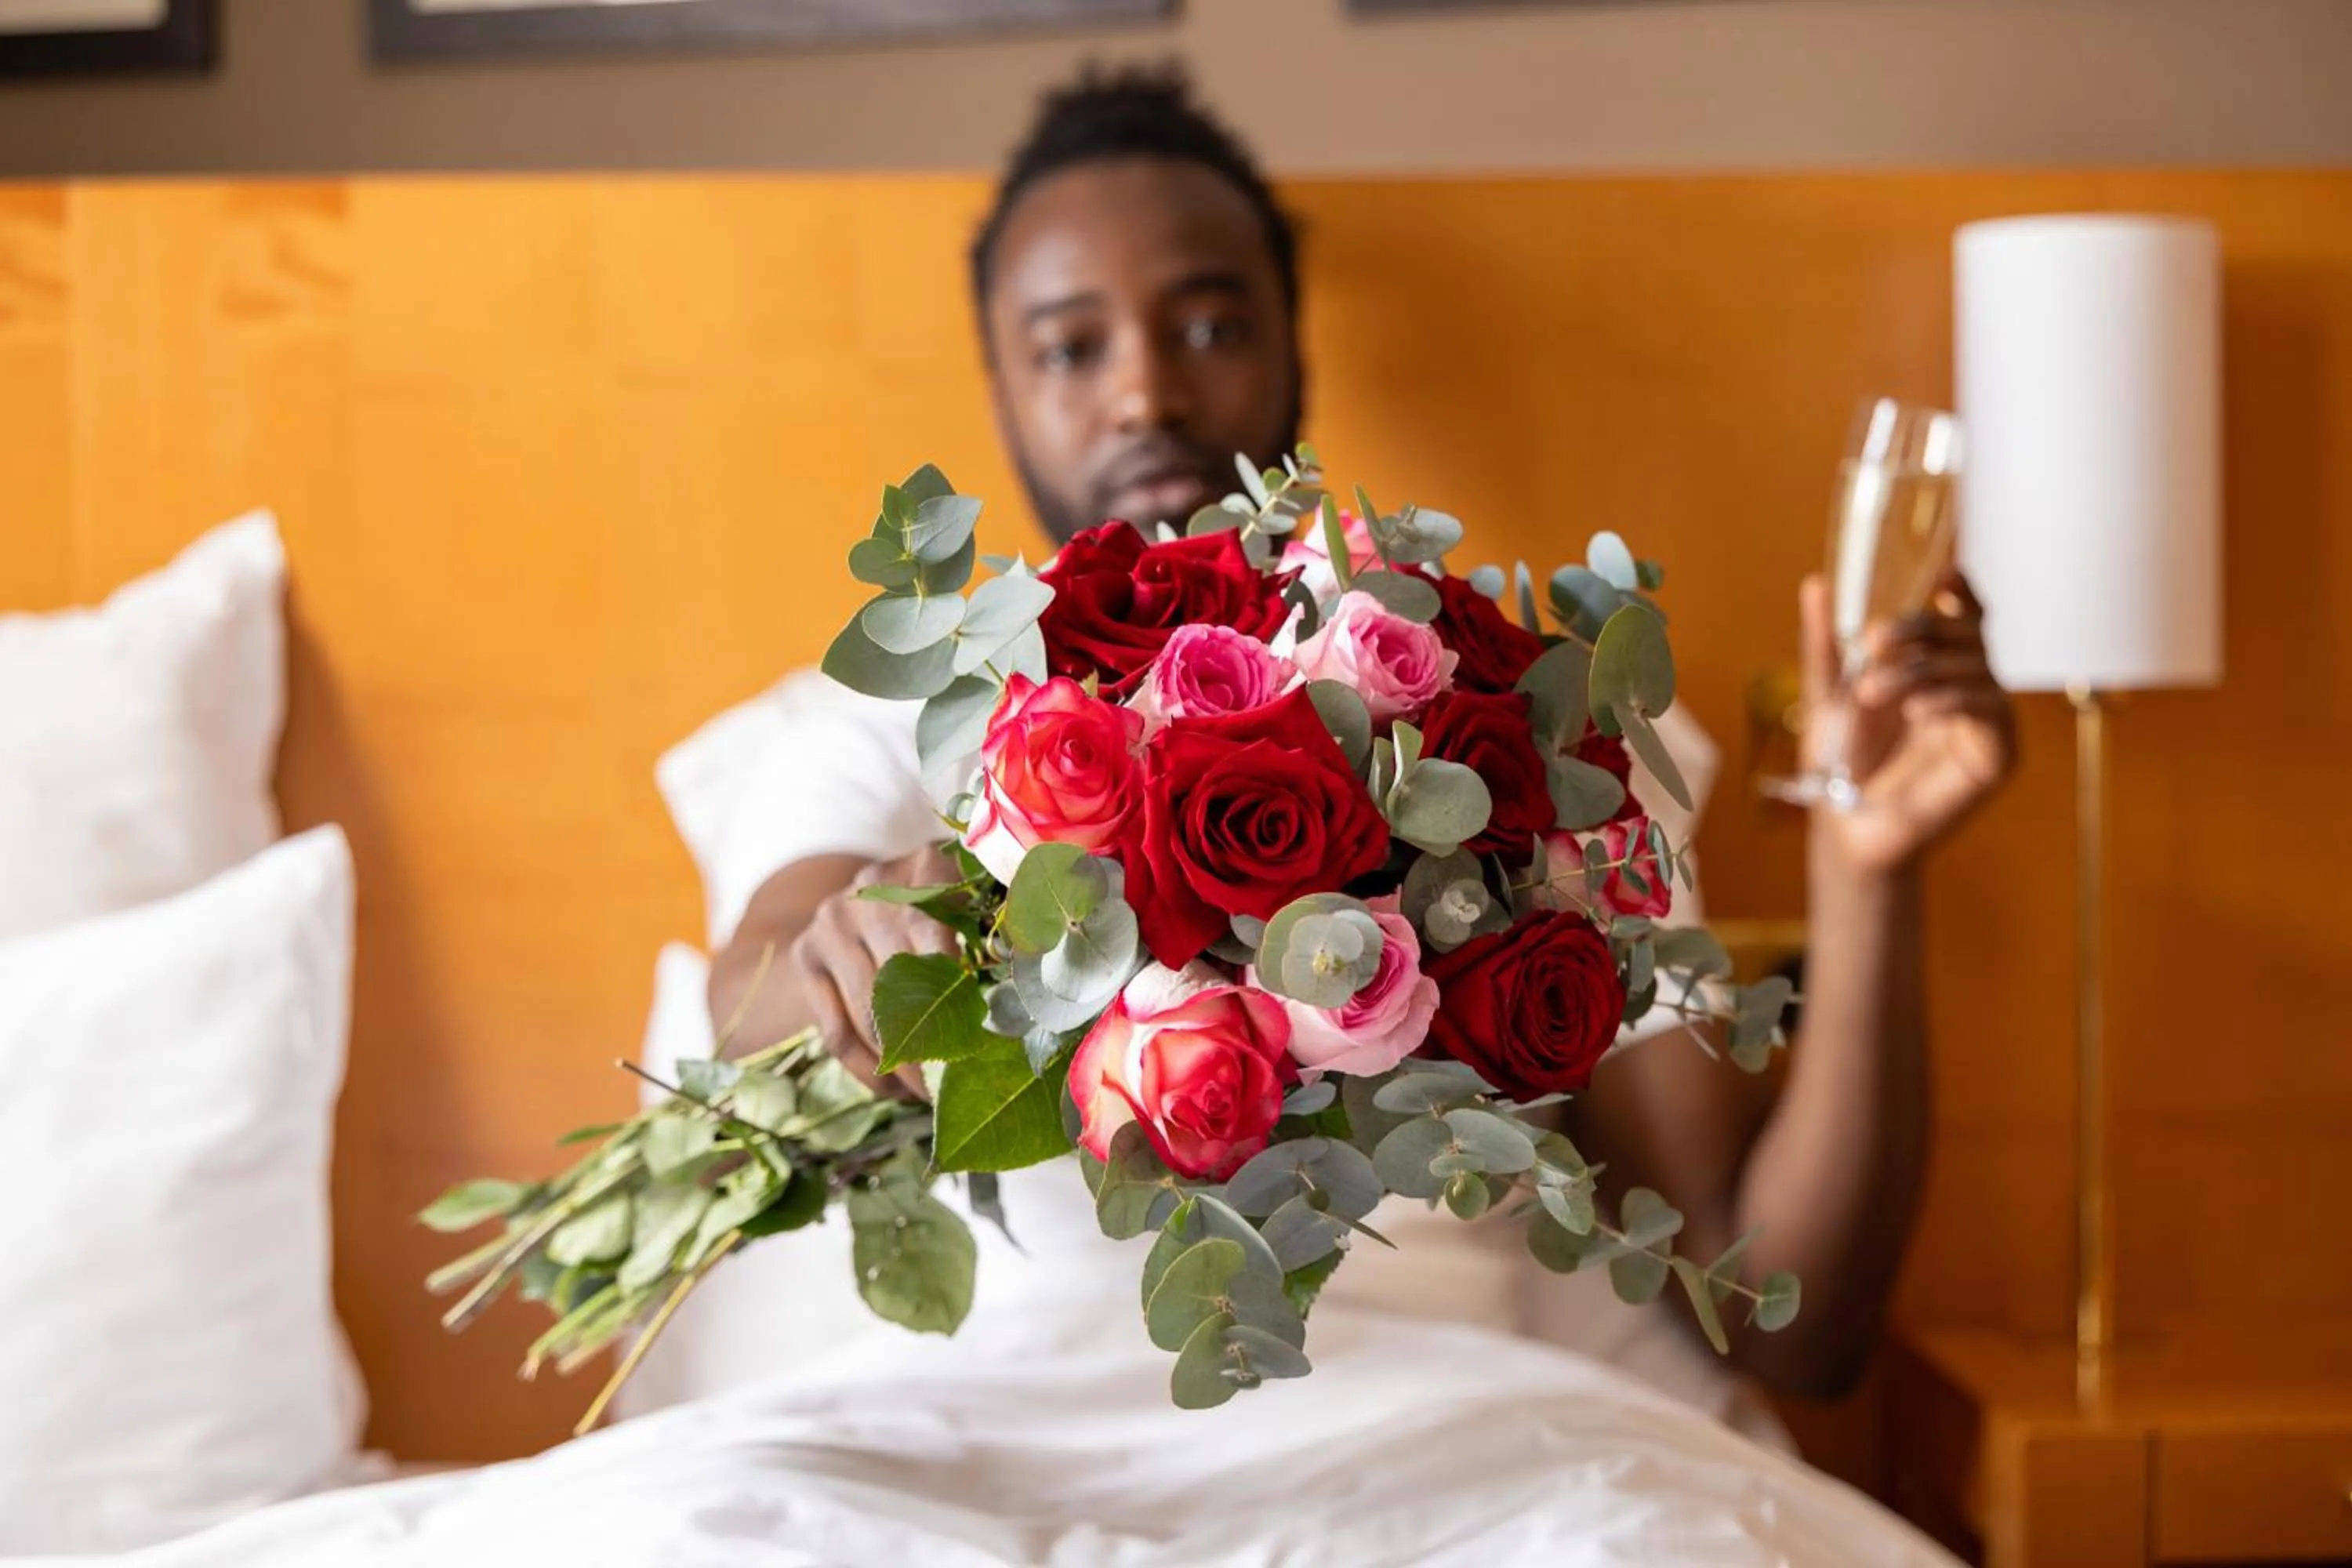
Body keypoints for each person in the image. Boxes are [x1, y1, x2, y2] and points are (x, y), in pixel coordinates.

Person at [707, 65, 2014, 1429]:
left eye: (1209, 324)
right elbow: (755, 978)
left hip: (1446, 1432)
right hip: (981, 1426)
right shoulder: (882, 719)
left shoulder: (1518, 727)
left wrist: (1871, 877)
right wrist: (841, 956)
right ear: (1002, 386)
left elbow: (1784, 1325)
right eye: (1071, 346)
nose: (1146, 390)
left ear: (1294, 347)